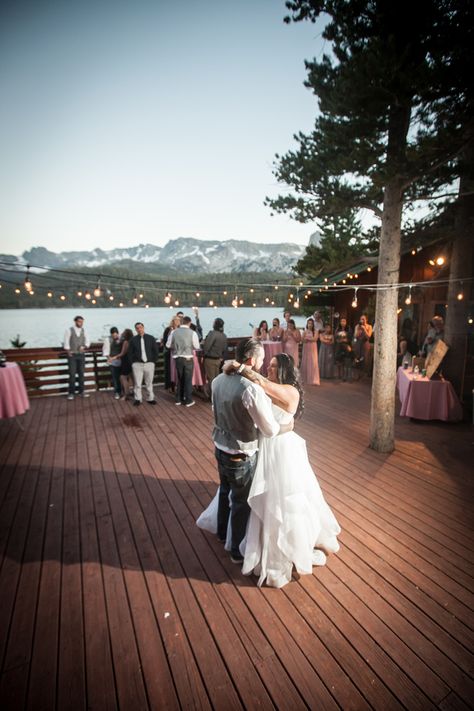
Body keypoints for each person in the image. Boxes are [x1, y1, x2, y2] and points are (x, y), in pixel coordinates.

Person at [198, 351, 341, 587]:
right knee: (252, 495)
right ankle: (248, 538)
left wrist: (239, 367)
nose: (270, 369)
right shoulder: (264, 387)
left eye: (275, 366)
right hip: (262, 445)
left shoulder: (289, 390)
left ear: (285, 370)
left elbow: (263, 386)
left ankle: (285, 545)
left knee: (282, 499)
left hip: (282, 448)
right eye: (270, 365)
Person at [197, 339, 293, 564]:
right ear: (252, 360)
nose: (262, 362)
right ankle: (237, 552)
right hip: (241, 453)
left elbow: (215, 409)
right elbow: (268, 429)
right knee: (241, 502)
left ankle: (222, 533)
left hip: (219, 447)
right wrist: (286, 426)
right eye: (261, 359)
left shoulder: (218, 380)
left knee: (224, 491)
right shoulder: (251, 389)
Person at [166, 315, 200, 407]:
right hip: (188, 358)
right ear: (189, 323)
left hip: (178, 358)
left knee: (180, 379)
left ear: (181, 322)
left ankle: (178, 399)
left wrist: (177, 346)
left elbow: (168, 345)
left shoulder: (174, 332)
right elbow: (197, 346)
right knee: (188, 380)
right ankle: (188, 400)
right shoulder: (192, 333)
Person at [129, 322, 159, 406]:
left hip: (149, 363)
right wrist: (133, 363)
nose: (139, 329)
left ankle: (150, 398)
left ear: (143, 328)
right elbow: (130, 353)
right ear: (135, 329)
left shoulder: (151, 338)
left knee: (149, 382)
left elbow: (155, 351)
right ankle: (138, 399)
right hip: (137, 364)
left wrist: (153, 361)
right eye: (137, 328)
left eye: (141, 327)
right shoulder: (133, 340)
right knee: (137, 383)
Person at [64, 315, 90, 400]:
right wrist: (68, 351)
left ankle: (81, 392)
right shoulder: (69, 330)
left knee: (81, 374)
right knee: (72, 374)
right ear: (75, 321)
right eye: (79, 321)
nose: (81, 323)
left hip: (81, 355)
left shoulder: (84, 330)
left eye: (82, 322)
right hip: (72, 355)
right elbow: (66, 342)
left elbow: (88, 341)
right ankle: (71, 393)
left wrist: (84, 346)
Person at [202, 317, 227, 399]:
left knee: (211, 379)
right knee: (216, 379)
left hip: (210, 359)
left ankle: (212, 397)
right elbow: (224, 348)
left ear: (215, 324)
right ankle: (217, 395)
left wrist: (204, 355)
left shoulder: (212, 334)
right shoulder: (223, 335)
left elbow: (206, 347)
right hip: (218, 360)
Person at [162, 316, 181, 393]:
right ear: (173, 321)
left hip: (179, 353)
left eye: (178, 320)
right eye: (176, 320)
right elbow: (166, 342)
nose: (177, 321)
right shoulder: (168, 330)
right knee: (170, 370)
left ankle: (178, 386)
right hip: (170, 352)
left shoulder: (181, 330)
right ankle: (170, 386)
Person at [102, 326, 122, 399]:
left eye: (116, 334)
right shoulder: (107, 340)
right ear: (111, 334)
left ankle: (124, 391)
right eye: (113, 335)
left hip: (121, 360)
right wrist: (109, 358)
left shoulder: (121, 338)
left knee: (122, 377)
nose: (115, 336)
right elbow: (106, 351)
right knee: (115, 377)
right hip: (112, 361)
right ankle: (117, 392)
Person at [300, 318, 320, 385]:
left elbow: (315, 339)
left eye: (311, 323)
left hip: (313, 347)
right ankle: (305, 378)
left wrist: (307, 339)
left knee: (313, 362)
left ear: (313, 324)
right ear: (307, 324)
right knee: (306, 361)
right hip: (306, 348)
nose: (310, 325)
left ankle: (313, 379)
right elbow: (302, 339)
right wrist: (306, 339)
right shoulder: (305, 331)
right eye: (309, 323)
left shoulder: (316, 331)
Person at [117, 328, 134, 399]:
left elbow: (122, 353)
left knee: (123, 377)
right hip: (132, 361)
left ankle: (126, 394)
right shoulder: (132, 341)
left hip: (126, 361)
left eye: (124, 332)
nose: (122, 333)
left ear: (126, 334)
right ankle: (134, 392)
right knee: (132, 377)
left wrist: (114, 357)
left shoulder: (126, 342)